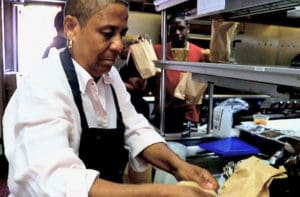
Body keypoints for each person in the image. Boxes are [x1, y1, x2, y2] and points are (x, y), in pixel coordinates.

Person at [3, 1, 218, 196]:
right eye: (107, 33)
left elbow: (135, 129)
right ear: (71, 28)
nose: (118, 45)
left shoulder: (110, 77)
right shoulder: (43, 84)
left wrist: (178, 166)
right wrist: (161, 193)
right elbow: (58, 181)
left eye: (121, 34)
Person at [152, 15, 206, 133]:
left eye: (181, 28)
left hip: (187, 114)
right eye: (172, 29)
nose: (176, 32)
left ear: (188, 28)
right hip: (163, 112)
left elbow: (201, 83)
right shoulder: (158, 50)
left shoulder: (198, 53)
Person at [118, 34, 150, 120]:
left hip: (136, 106)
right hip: (133, 105)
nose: (118, 52)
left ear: (125, 47)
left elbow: (137, 87)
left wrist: (117, 82)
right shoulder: (132, 61)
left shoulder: (133, 59)